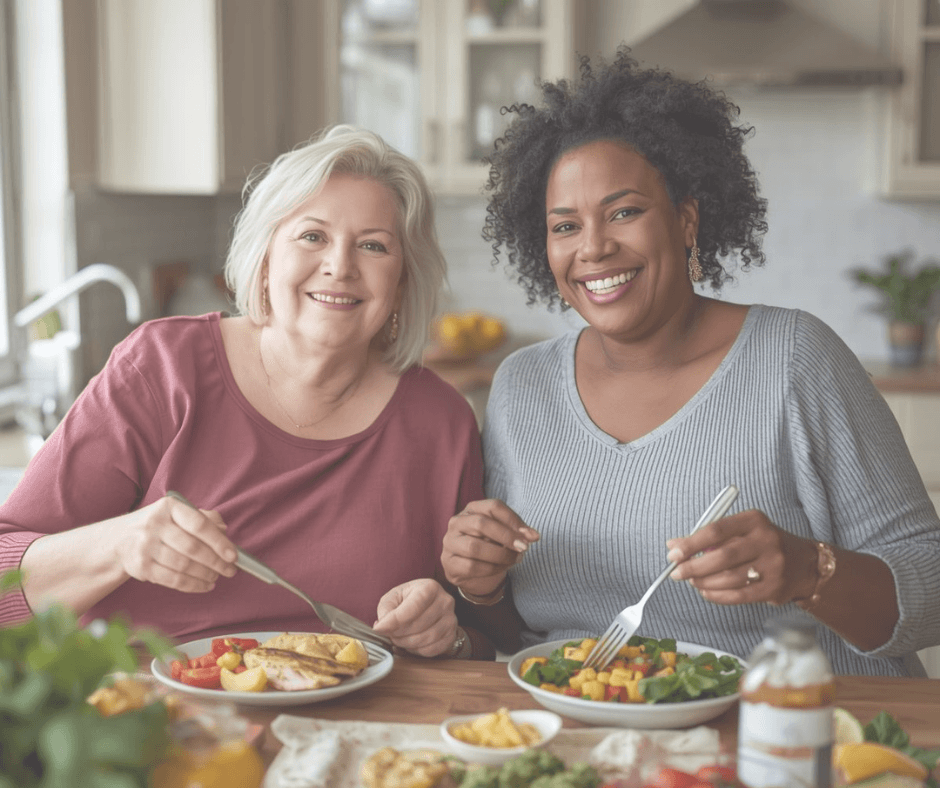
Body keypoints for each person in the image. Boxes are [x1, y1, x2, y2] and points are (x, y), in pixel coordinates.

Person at [441, 49, 940, 675]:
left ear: (685, 219)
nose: (593, 247)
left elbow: (931, 585)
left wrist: (807, 570)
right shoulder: (521, 385)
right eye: (564, 226)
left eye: (625, 212)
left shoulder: (793, 357)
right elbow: (526, 631)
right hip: (601, 740)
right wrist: (480, 584)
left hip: (796, 734)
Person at [0, 125, 490, 659]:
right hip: (156, 723)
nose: (341, 266)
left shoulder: (441, 421)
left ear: (402, 283)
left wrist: (449, 632)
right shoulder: (162, 369)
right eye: (312, 236)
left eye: (373, 246)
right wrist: (119, 543)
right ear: (264, 259)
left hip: (351, 731)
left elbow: (482, 638)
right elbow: (6, 574)